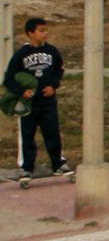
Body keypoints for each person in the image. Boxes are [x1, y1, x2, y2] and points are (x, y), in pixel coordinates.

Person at [5, 18, 69, 185]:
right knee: (28, 135)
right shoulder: (21, 55)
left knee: (52, 132)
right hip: (29, 104)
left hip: (47, 101)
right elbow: (9, 79)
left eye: (46, 30)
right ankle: (27, 168)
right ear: (30, 33)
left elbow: (58, 71)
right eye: (41, 30)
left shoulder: (52, 51)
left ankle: (57, 164)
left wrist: (53, 86)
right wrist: (21, 91)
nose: (45, 33)